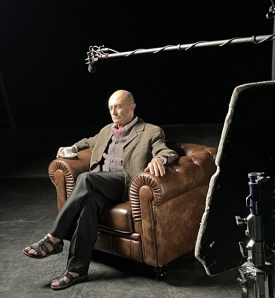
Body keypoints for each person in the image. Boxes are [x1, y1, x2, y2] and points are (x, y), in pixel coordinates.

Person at [23, 89, 179, 290]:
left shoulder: (150, 131)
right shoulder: (106, 130)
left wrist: (160, 158)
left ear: (132, 107)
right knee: (89, 204)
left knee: (86, 178)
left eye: (119, 107)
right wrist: (71, 148)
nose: (114, 112)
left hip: (124, 184)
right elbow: (89, 142)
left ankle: (54, 238)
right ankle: (77, 270)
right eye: (111, 108)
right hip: (102, 186)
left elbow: (166, 150)